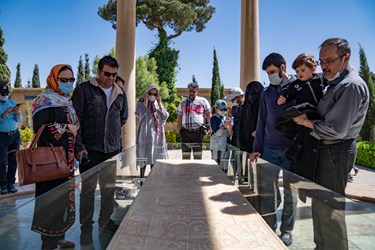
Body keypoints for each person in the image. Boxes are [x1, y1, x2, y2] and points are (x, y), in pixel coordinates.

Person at [293, 38, 369, 250]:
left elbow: (337, 129)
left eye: (329, 60)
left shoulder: (351, 86)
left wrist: (308, 122)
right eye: (321, 61)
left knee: (331, 209)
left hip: (336, 150)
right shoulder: (333, 83)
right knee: (320, 205)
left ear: (346, 58)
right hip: (325, 150)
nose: (324, 65)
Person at [72, 55, 128, 245]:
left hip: (111, 151)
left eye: (114, 75)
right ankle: (86, 230)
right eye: (107, 74)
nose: (111, 78)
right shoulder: (83, 90)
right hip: (89, 151)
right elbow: (75, 120)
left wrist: (114, 139)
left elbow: (123, 117)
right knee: (87, 193)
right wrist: (79, 147)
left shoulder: (120, 92)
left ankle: (105, 221)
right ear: (98, 71)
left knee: (108, 190)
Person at [250, 53, 297, 246]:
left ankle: (287, 230)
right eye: (267, 73)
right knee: (267, 190)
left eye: (272, 71)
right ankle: (269, 225)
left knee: (290, 192)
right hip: (269, 147)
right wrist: (256, 148)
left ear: (283, 67)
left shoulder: (296, 87)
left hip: (291, 148)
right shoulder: (266, 93)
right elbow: (261, 121)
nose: (270, 76)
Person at [31, 64, 78, 249]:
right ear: (53, 79)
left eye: (71, 80)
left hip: (66, 162)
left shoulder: (67, 101)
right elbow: (40, 131)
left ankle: (60, 235)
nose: (68, 84)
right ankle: (48, 243)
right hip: (49, 163)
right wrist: (67, 128)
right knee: (51, 202)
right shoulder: (44, 100)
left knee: (63, 200)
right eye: (63, 80)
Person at [136, 85, 169, 179]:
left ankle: (153, 182)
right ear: (146, 93)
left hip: (156, 138)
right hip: (145, 137)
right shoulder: (140, 104)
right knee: (144, 160)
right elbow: (139, 114)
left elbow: (165, 116)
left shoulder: (158, 105)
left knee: (154, 160)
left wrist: (160, 103)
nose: (152, 95)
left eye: (155, 94)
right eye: (150, 93)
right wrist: (145, 103)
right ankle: (142, 182)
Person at [177, 82, 211, 159]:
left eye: (194, 91)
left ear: (197, 91)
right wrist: (180, 130)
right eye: (190, 91)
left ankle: (197, 171)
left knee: (197, 156)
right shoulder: (183, 102)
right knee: (185, 156)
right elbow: (179, 117)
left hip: (198, 132)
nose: (191, 93)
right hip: (185, 132)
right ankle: (186, 171)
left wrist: (211, 127)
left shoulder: (203, 101)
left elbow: (208, 115)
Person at [0, 83, 22, 195]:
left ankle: (11, 183)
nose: (5, 95)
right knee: (2, 162)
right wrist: (3, 115)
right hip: (2, 137)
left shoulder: (11, 102)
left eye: (6, 93)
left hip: (14, 135)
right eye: (2, 94)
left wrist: (17, 113)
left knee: (14, 160)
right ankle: (3, 184)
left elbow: (20, 119)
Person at [209, 99, 232, 170]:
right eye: (221, 109)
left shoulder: (225, 118)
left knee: (225, 167)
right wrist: (224, 126)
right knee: (216, 167)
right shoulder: (213, 119)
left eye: (225, 109)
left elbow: (228, 134)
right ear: (216, 109)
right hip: (216, 147)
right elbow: (217, 133)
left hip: (225, 146)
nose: (223, 111)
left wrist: (230, 129)